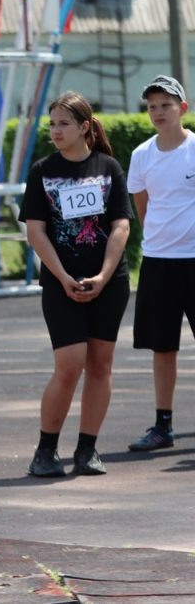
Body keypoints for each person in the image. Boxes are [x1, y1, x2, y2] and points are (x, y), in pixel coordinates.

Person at [18, 91, 131, 477]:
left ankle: (87, 450)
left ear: (84, 127)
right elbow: (35, 232)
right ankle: (45, 451)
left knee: (100, 365)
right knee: (69, 365)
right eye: (52, 124)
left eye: (64, 124)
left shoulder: (109, 167)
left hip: (108, 283)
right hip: (61, 282)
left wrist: (103, 276)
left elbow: (121, 225)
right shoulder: (42, 171)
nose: (55, 131)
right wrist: (63, 277)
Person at [126, 75, 195, 453]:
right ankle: (162, 425)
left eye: (165, 105)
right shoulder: (141, 155)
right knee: (162, 347)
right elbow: (143, 209)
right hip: (158, 262)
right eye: (152, 106)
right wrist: (163, 240)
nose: (158, 112)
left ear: (182, 108)